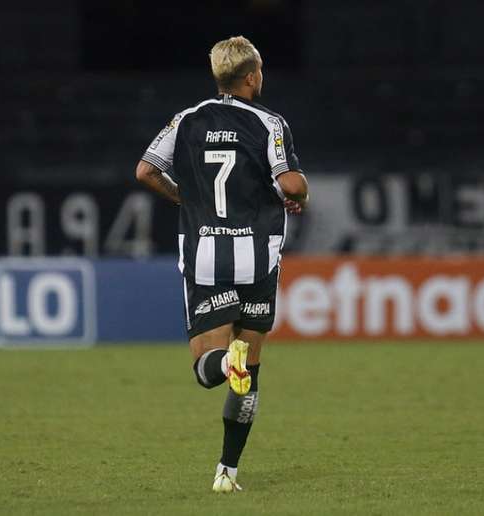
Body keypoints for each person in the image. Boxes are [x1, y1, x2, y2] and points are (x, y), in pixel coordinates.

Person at [135, 36, 309, 493]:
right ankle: (227, 472)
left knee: (207, 368)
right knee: (249, 372)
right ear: (252, 76)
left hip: (206, 257)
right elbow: (289, 184)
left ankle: (223, 364)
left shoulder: (186, 120)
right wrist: (301, 194)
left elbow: (145, 171)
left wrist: (183, 196)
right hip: (257, 260)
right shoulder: (270, 124)